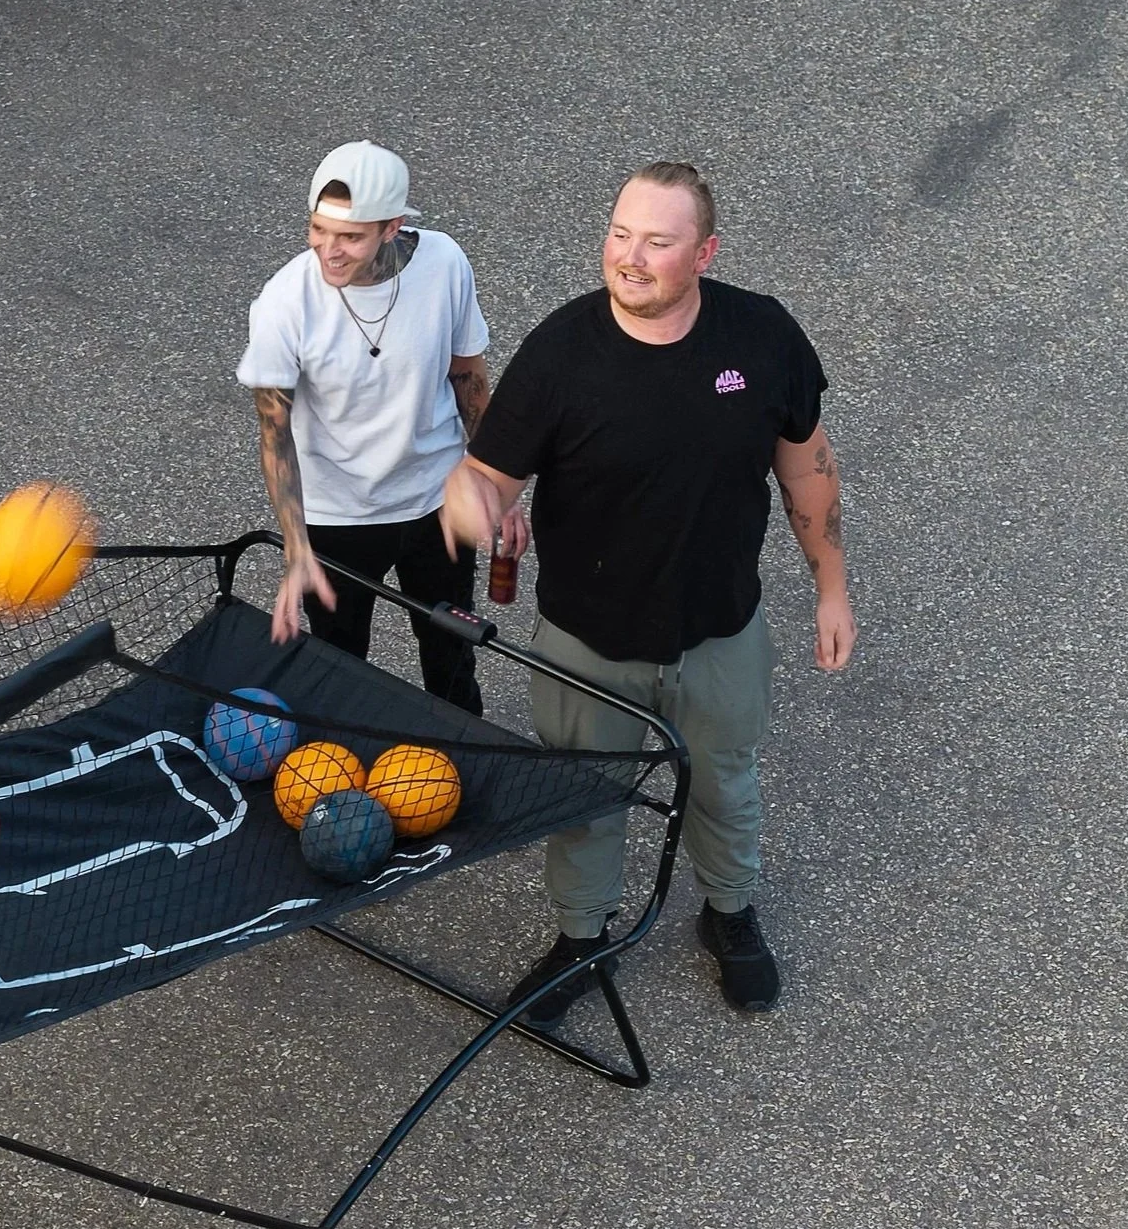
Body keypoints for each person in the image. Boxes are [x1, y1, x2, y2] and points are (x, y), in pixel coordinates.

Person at [440, 161, 855, 1020]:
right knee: (584, 797)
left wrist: (831, 588)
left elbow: (806, 468)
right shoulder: (560, 354)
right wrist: (478, 510)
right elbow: (480, 477)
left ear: (703, 253)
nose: (629, 258)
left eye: (656, 242)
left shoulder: (762, 337)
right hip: (586, 639)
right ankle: (581, 940)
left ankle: (729, 915)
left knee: (724, 783)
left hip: (718, 632)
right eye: (618, 234)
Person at [237, 141, 524, 713]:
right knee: (339, 666)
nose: (329, 251)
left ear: (392, 226)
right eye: (318, 230)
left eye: (350, 237)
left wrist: (499, 484)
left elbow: (467, 376)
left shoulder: (443, 264)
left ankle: (463, 758)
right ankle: (343, 775)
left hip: (434, 501)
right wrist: (296, 547)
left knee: (451, 657)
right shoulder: (284, 303)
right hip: (337, 514)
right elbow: (276, 433)